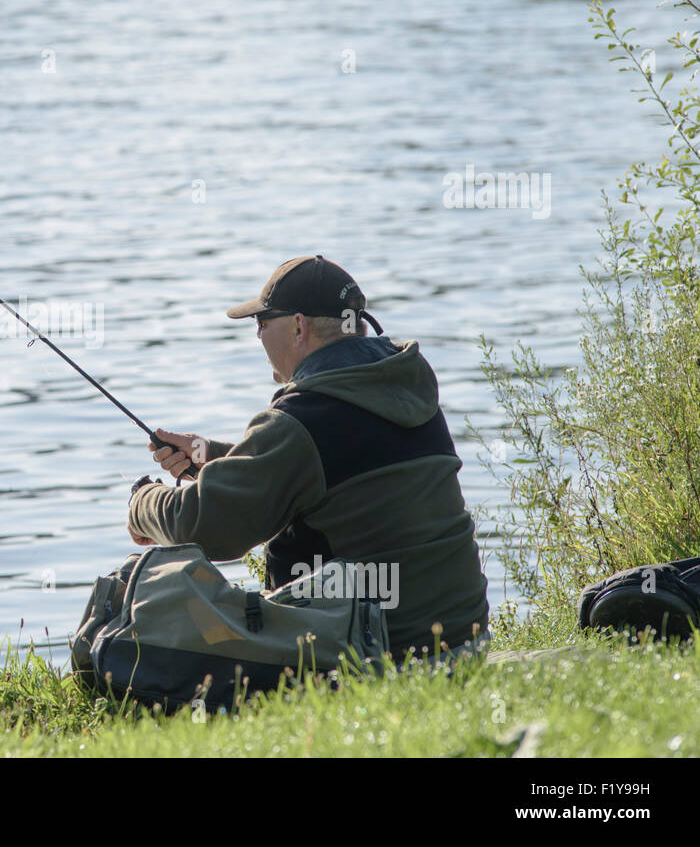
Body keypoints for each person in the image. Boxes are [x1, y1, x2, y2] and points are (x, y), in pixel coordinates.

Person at [127, 255, 490, 662]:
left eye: (262, 324)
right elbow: (331, 465)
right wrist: (212, 457)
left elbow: (207, 526)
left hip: (384, 653)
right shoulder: (403, 386)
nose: (259, 336)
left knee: (157, 596)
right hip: (465, 639)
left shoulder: (302, 417)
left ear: (298, 326)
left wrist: (143, 502)